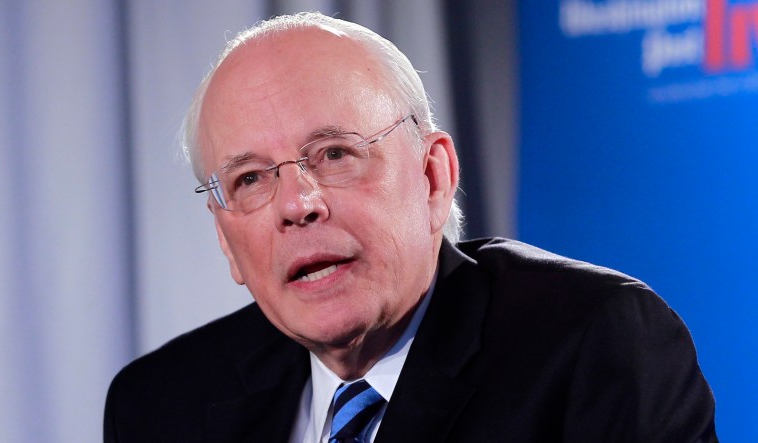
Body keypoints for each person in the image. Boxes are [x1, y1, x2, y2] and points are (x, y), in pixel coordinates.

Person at [104, 12, 717, 442]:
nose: (297, 204)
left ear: (433, 175)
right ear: (225, 239)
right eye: (250, 180)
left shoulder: (594, 346)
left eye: (335, 154)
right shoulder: (162, 404)